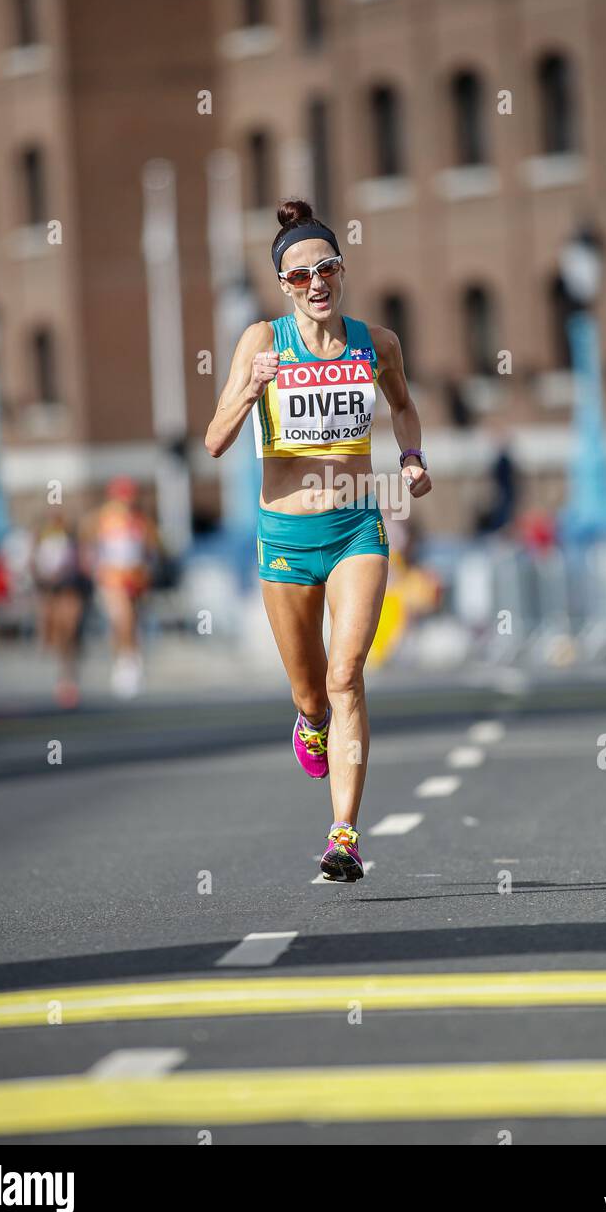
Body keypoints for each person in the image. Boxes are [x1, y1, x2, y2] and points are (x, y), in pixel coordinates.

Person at [205, 198, 432, 881]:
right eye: (300, 276)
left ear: (341, 269)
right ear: (284, 287)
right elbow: (215, 441)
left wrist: (412, 458)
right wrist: (250, 387)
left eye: (326, 268)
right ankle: (308, 723)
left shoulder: (377, 343)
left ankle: (344, 836)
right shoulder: (261, 341)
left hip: (358, 525)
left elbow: (403, 407)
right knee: (312, 694)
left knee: (346, 674)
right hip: (284, 538)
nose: (316, 284)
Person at [84, 478, 159, 699]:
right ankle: (125, 663)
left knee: (133, 621)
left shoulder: (141, 521)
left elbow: (151, 548)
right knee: (121, 619)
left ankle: (131, 659)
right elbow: (89, 543)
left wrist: (147, 569)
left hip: (135, 577)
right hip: (112, 577)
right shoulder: (103, 518)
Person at [31, 515, 90, 707]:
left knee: (70, 635)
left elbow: (82, 565)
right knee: (56, 638)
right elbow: (34, 565)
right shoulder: (40, 539)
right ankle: (63, 680)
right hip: (51, 592)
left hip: (69, 590)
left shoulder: (72, 540)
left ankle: (69, 680)